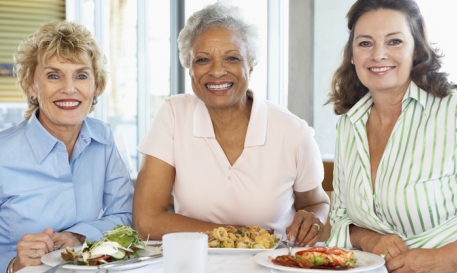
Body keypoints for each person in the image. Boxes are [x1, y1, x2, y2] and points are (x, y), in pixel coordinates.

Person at [133, 1, 329, 246]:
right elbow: (146, 221)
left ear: (251, 65)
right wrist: (241, 237)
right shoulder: (174, 114)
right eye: (203, 60)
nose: (217, 72)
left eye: (232, 58)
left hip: (270, 263)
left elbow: (316, 203)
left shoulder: (293, 132)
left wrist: (315, 220)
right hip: (194, 263)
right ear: (189, 68)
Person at [326, 0, 457, 272]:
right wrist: (368, 238)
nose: (378, 55)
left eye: (394, 41)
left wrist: (442, 259)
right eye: (365, 43)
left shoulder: (452, 112)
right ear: (352, 54)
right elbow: (340, 217)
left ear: (417, 50)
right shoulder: (349, 125)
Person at [0, 21, 134, 272]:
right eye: (53, 75)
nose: (69, 89)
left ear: (96, 86)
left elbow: (126, 216)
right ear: (32, 86)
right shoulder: (3, 153)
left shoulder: (102, 138)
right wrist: (13, 264)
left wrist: (79, 235)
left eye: (81, 76)